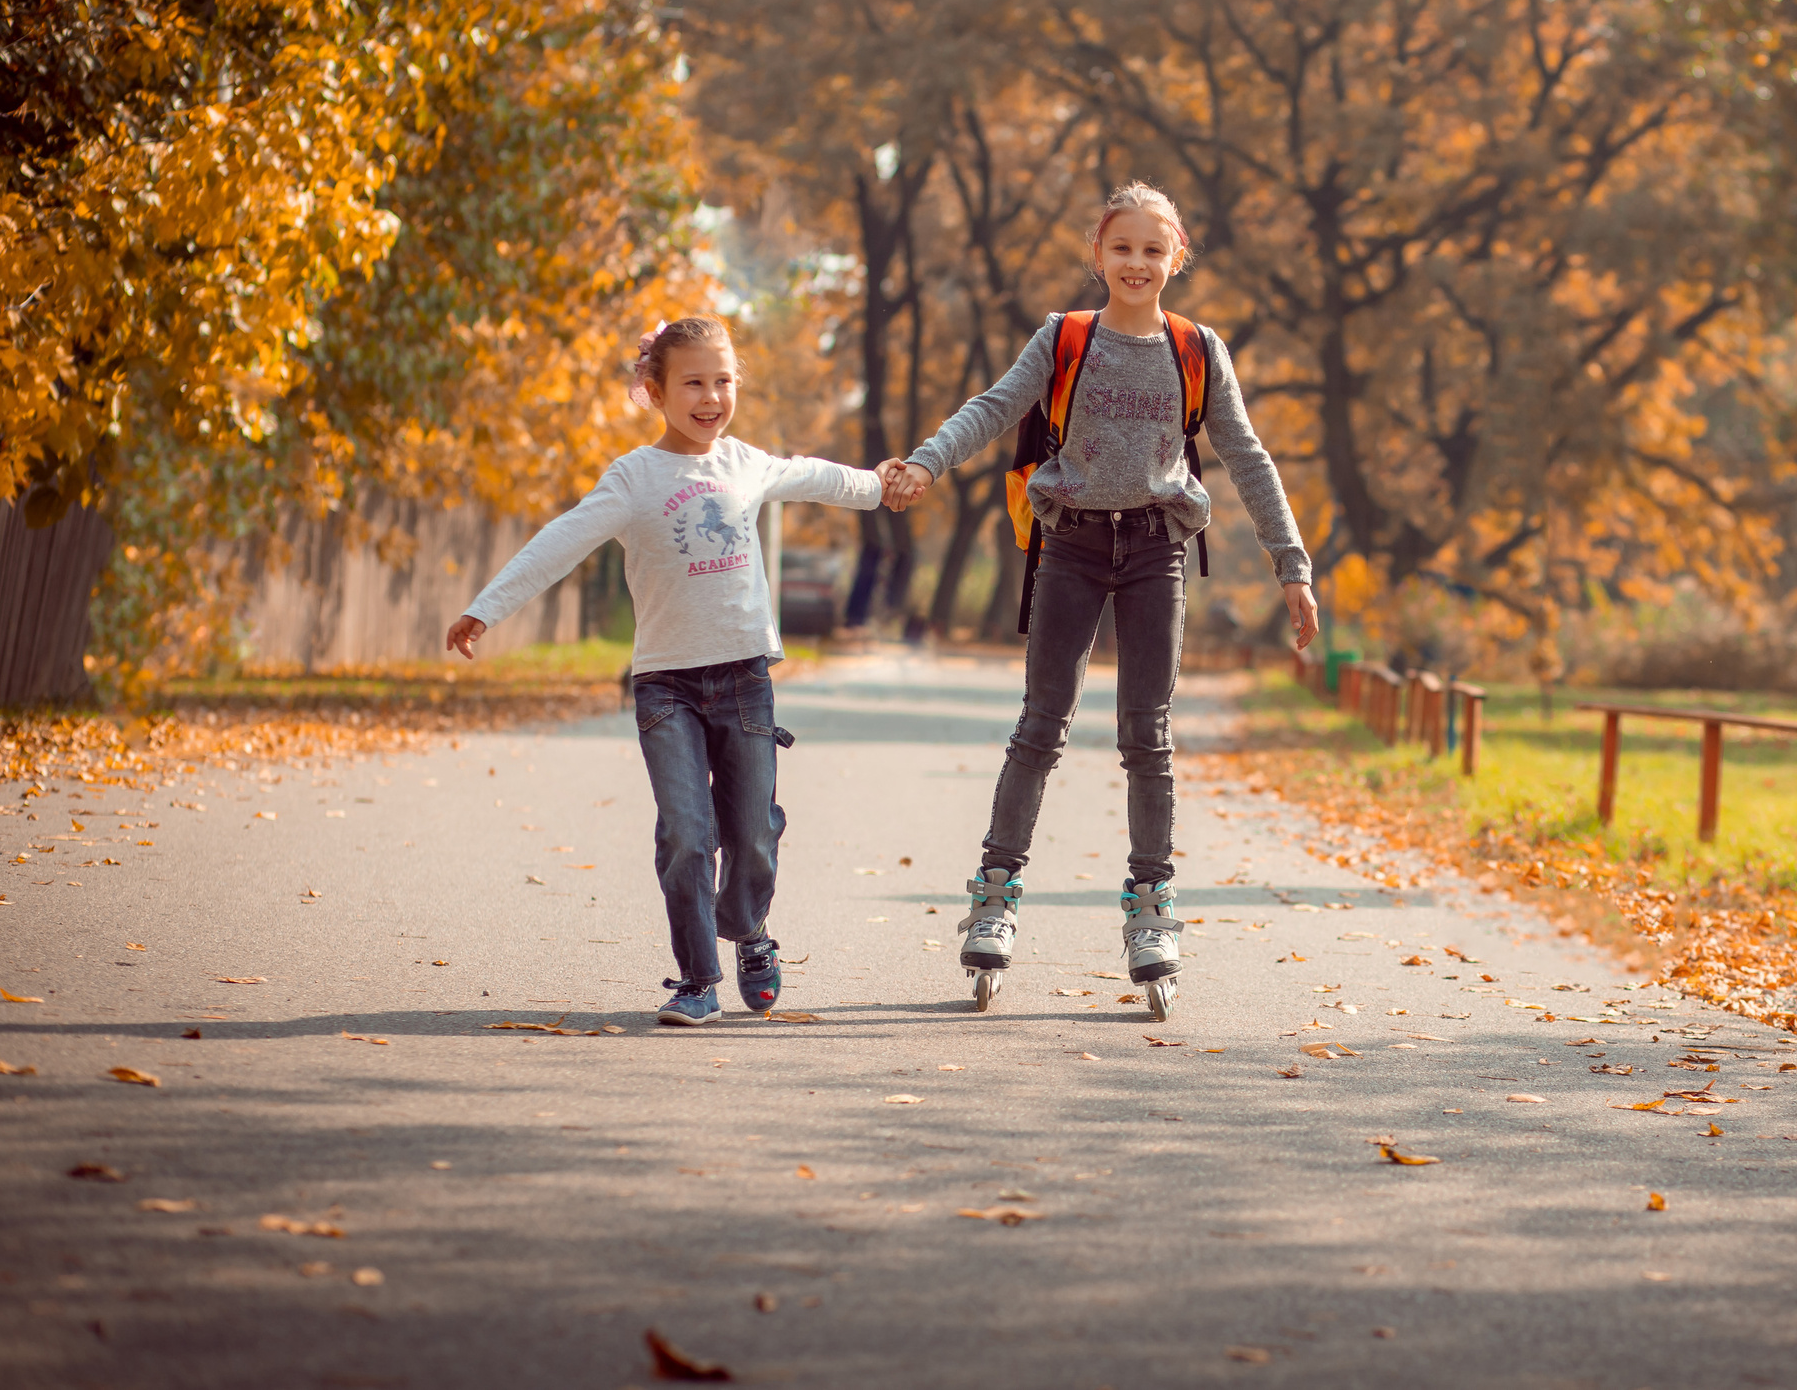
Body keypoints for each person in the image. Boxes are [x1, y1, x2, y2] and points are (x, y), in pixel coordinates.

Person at [882, 182, 1318, 1015]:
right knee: (1040, 724)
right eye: (1122, 247)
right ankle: (996, 896)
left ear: (1177, 257)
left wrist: (1290, 564)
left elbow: (1248, 456)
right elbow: (994, 407)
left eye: (1154, 249)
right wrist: (928, 460)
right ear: (1098, 254)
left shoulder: (1198, 349)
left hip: (1157, 548)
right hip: (1072, 546)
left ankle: (1151, 911)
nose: (1137, 263)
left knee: (1147, 735)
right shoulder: (1064, 337)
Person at [445, 316, 893, 1026]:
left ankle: (749, 929)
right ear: (654, 392)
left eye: (723, 381)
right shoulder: (634, 477)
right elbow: (561, 539)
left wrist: (880, 485)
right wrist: (486, 607)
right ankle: (697, 978)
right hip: (667, 687)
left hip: (744, 678)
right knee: (686, 834)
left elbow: (813, 474)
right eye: (693, 383)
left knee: (753, 832)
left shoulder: (744, 463)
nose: (711, 396)